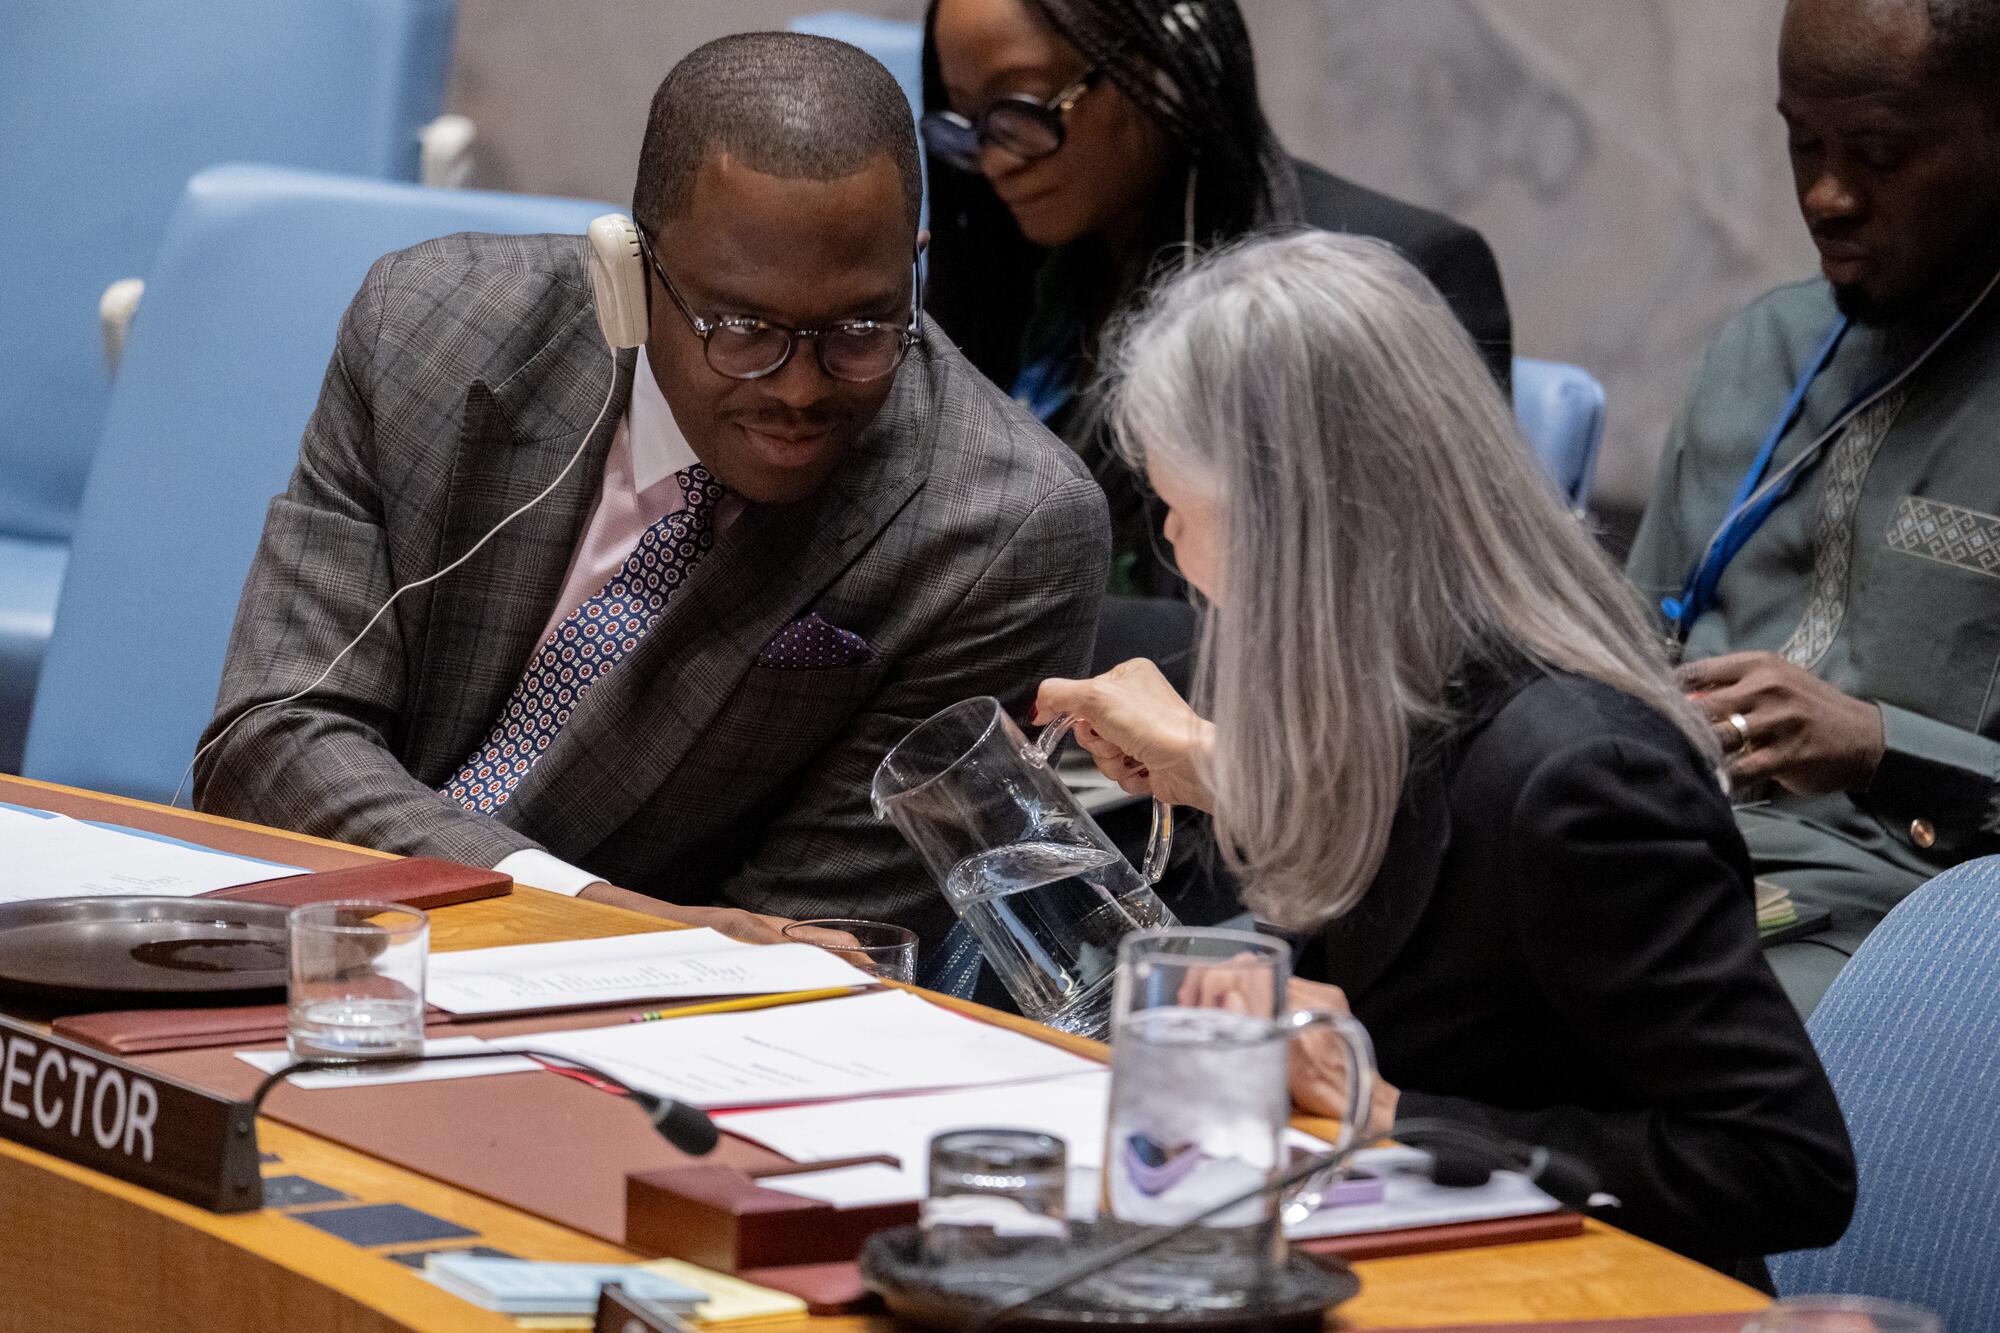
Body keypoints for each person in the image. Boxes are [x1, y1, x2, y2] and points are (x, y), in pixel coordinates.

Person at [1037, 231, 1854, 1277]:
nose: (1169, 541)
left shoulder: (1576, 778)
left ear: (1292, 529)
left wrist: (1395, 1111)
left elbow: (1781, 1164)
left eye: (1180, 510)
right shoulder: (1392, 696)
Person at [195, 33, 1110, 946]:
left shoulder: (1001, 530)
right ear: (627, 276)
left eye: (862, 327)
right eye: (744, 329)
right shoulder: (431, 330)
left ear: (914, 265)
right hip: (303, 928)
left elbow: (808, 949)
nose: (800, 387)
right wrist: (578, 907)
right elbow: (270, 739)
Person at [1626, 0, 2000, 1014]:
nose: (1826, 195)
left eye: (1878, 152)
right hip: (1661, 852)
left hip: (1902, 916)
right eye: (1802, 142)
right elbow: (1622, 642)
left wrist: (1881, 744)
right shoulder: (1762, 349)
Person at [920, 0, 1512, 608]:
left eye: (1024, 110)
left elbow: (1374, 620)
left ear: (1160, 60)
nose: (995, 160)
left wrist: (985, 622)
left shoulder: (1380, 286)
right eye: (964, 124)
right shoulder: (1014, 268)